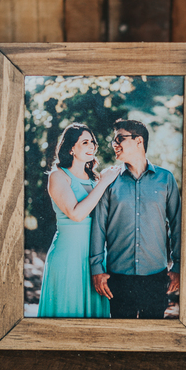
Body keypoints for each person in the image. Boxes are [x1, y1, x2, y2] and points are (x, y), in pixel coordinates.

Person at [90, 119, 182, 319]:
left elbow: (178, 225)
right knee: (122, 334)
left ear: (139, 141)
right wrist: (96, 268)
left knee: (153, 334)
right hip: (118, 278)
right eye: (114, 140)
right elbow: (98, 227)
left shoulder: (166, 179)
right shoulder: (109, 181)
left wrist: (178, 265)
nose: (114, 144)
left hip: (156, 278)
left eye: (119, 139)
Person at [38, 123, 122, 318]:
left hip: (96, 258)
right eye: (85, 142)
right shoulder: (58, 176)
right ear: (71, 148)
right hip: (68, 256)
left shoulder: (95, 180)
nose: (91, 146)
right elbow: (76, 214)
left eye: (92, 142)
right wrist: (104, 182)